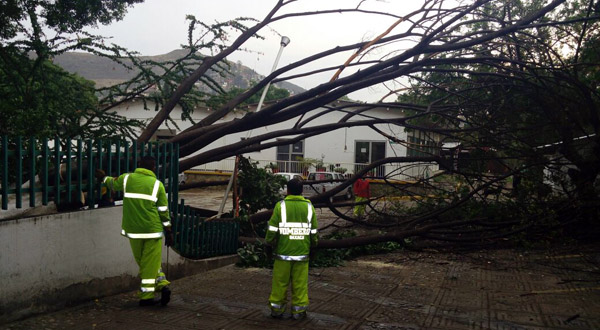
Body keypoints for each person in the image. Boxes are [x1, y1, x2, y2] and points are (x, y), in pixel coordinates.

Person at [96, 156, 174, 307]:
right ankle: (149, 295)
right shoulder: (157, 185)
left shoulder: (127, 179)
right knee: (149, 262)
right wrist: (168, 230)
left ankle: (160, 286)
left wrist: (103, 177)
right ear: (153, 168)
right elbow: (163, 210)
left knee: (144, 262)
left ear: (139, 165)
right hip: (153, 230)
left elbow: (112, 183)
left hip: (134, 230)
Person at [265, 178, 318, 320]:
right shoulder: (309, 207)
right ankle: (299, 311)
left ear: (287, 190)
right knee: (300, 284)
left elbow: (272, 228)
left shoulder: (280, 206)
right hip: (302, 253)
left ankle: (276, 310)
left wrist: (269, 243)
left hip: (283, 253)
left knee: (279, 283)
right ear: (301, 191)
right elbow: (313, 230)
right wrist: (314, 245)